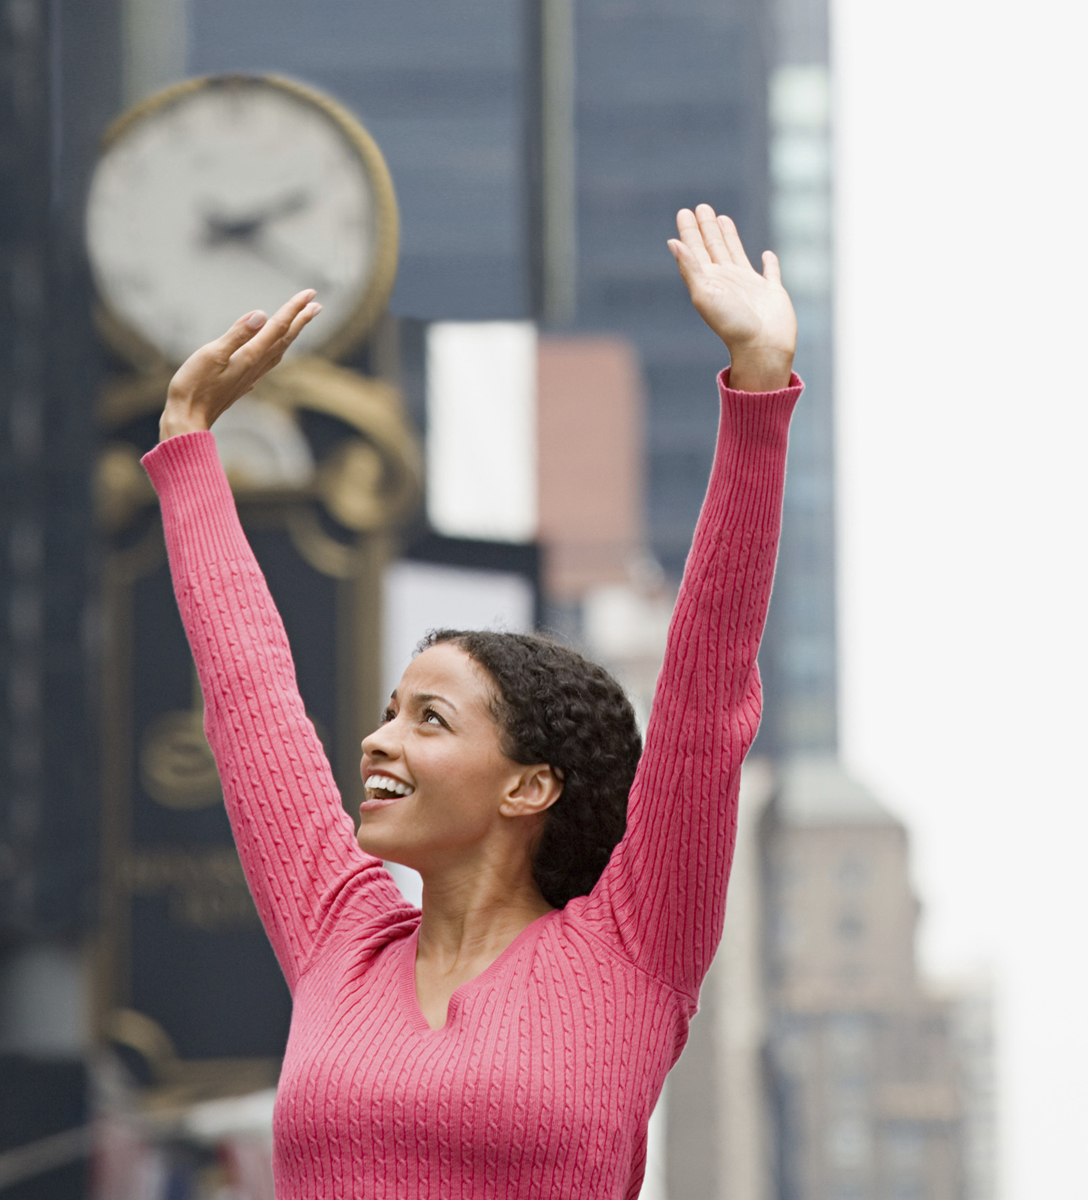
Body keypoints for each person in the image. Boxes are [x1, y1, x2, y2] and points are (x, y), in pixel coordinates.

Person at [143, 204, 800, 1199]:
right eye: (390, 710)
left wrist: (756, 389)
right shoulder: (341, 937)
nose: (377, 742)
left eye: (429, 719)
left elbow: (706, 701)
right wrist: (188, 446)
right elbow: (251, 702)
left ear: (529, 786)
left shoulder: (630, 948)